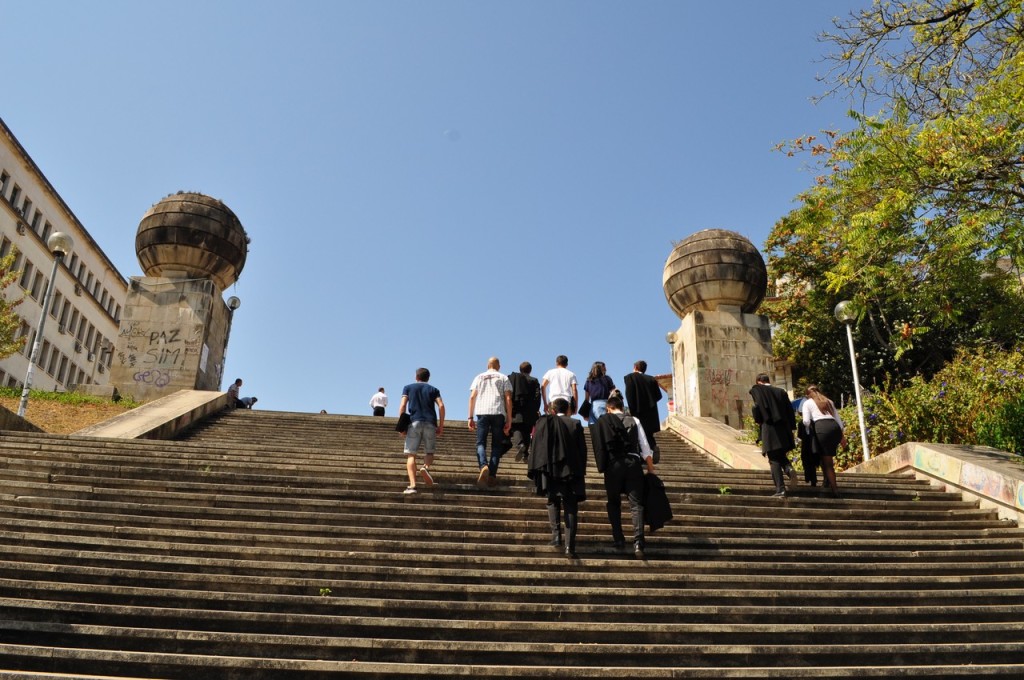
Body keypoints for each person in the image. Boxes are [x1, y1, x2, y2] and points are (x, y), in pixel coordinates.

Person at [591, 394, 655, 558]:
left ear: (608, 408)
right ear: (622, 406)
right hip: (633, 464)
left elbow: (600, 447)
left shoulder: (604, 421)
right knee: (636, 504)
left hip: (613, 466)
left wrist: (603, 466)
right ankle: (639, 541)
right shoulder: (634, 420)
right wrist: (650, 468)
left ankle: (618, 538)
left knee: (613, 503)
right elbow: (644, 445)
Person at [528, 397, 587, 558]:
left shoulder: (544, 423)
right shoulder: (575, 424)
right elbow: (583, 451)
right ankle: (570, 547)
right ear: (568, 409)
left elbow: (536, 446)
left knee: (552, 501)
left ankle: (556, 537)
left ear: (552, 410)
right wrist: (581, 471)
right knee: (571, 507)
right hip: (571, 472)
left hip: (551, 471)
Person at [398, 368, 446, 494]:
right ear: (428, 378)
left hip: (414, 422)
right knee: (429, 452)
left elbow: (403, 406)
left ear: (416, 377)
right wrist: (441, 425)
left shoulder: (408, 387)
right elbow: (441, 406)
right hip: (430, 423)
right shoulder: (433, 390)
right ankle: (425, 467)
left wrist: (401, 426)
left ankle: (413, 486)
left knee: (411, 454)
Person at [749, 373, 798, 497]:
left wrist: (758, 419)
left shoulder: (758, 390)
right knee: (780, 454)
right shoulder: (781, 392)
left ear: (759, 381)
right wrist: (792, 429)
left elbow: (757, 407)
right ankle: (788, 468)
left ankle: (780, 489)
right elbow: (790, 411)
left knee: (774, 459)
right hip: (784, 429)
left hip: (769, 428)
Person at [468, 357, 514, 487]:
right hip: (498, 412)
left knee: (480, 443)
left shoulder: (479, 377)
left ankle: (483, 466)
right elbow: (508, 398)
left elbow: (472, 397)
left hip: (482, 411)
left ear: (488, 365)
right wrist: (509, 418)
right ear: (498, 366)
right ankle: (492, 474)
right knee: (496, 446)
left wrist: (470, 417)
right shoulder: (504, 377)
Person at [801, 384, 845, 497]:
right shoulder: (828, 401)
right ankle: (827, 481)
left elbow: (806, 421)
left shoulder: (807, 402)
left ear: (807, 395)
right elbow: (839, 420)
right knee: (826, 457)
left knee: (827, 462)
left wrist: (807, 429)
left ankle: (835, 489)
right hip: (834, 428)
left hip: (821, 428)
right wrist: (842, 437)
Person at [623, 361, 663, 456]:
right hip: (651, 412)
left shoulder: (630, 377)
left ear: (635, 367)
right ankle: (652, 447)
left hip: (636, 410)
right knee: (648, 433)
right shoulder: (652, 379)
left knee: (637, 434)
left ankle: (642, 455)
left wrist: (631, 409)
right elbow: (659, 396)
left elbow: (629, 394)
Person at [508, 361, 542, 462]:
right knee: (527, 431)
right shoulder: (534, 380)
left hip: (517, 410)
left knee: (516, 429)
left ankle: (520, 445)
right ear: (530, 370)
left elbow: (509, 393)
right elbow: (537, 396)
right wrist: (536, 409)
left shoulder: (514, 379)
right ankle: (526, 454)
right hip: (530, 411)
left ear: (520, 369)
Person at [583, 361, 615, 425]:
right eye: (604, 367)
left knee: (594, 426)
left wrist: (585, 411)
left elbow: (586, 398)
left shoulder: (589, 381)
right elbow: (613, 392)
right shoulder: (607, 378)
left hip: (593, 406)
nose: (606, 369)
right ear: (600, 368)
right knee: (606, 425)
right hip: (605, 404)